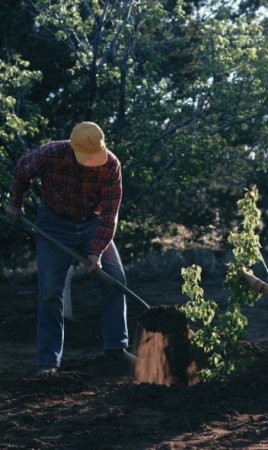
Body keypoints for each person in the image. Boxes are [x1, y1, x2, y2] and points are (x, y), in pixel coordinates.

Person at [6, 121, 135, 377]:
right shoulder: (50, 153)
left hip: (92, 224)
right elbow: (22, 170)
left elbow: (110, 215)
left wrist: (96, 251)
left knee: (115, 279)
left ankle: (116, 349)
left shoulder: (110, 165)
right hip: (53, 225)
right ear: (73, 148)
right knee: (50, 292)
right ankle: (49, 363)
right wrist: (14, 203)